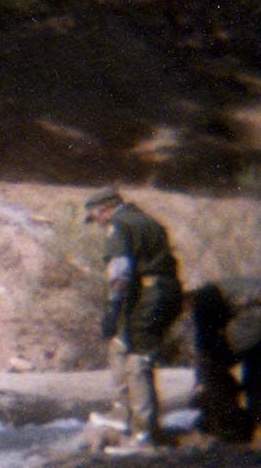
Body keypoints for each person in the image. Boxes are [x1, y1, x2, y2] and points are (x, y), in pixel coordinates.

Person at [84, 188, 183, 446]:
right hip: (162, 291)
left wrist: (113, 309)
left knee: (138, 359)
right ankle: (122, 415)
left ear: (104, 210)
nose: (97, 223)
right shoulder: (147, 221)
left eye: (95, 217)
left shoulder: (119, 224)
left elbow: (121, 271)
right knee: (120, 345)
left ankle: (143, 434)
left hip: (150, 293)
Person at [190, 277, 261, 442]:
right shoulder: (223, 289)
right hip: (251, 319)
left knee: (211, 364)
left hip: (253, 320)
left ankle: (231, 426)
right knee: (256, 372)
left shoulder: (203, 299)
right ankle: (254, 424)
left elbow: (206, 344)